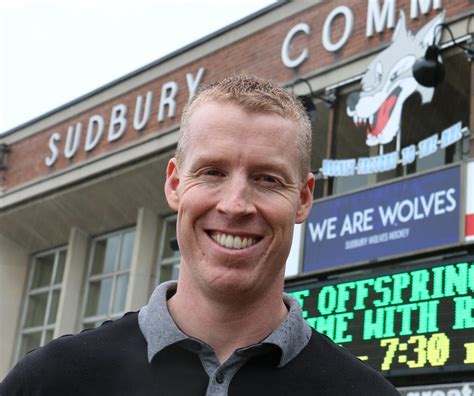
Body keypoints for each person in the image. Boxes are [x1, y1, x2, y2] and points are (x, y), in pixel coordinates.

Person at [0, 75, 399, 395]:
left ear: (303, 199)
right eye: (212, 172)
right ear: (175, 185)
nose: (235, 204)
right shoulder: (49, 381)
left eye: (267, 179)